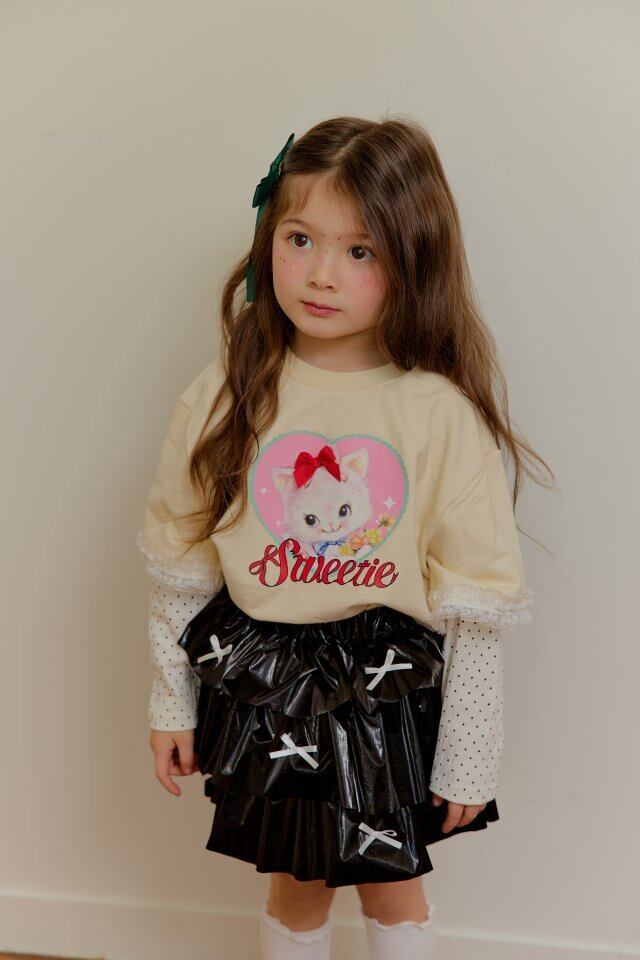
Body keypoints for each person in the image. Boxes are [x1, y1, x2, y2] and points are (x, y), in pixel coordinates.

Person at [136, 116, 553, 960]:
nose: (322, 274)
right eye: (300, 239)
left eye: (360, 250)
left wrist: (469, 754)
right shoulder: (225, 392)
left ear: (413, 259)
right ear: (268, 238)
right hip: (266, 680)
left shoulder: (437, 412)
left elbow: (474, 602)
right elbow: (183, 565)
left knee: (391, 880)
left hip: (381, 688)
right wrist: (169, 699)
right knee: (294, 875)